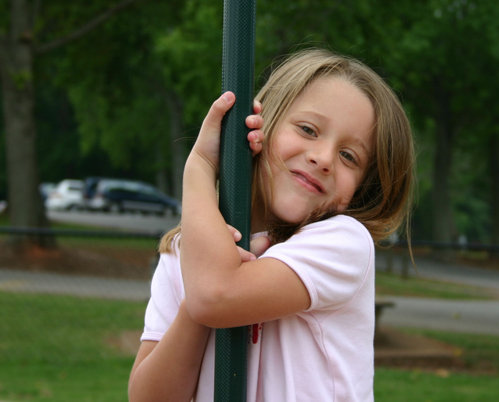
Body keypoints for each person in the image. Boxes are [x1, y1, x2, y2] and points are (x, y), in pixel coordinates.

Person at [128, 48, 415, 401]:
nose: (323, 158)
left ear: (362, 188)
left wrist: (200, 165)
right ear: (260, 125)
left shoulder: (343, 243)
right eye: (308, 129)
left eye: (348, 156)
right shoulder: (184, 252)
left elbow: (216, 295)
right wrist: (193, 302)